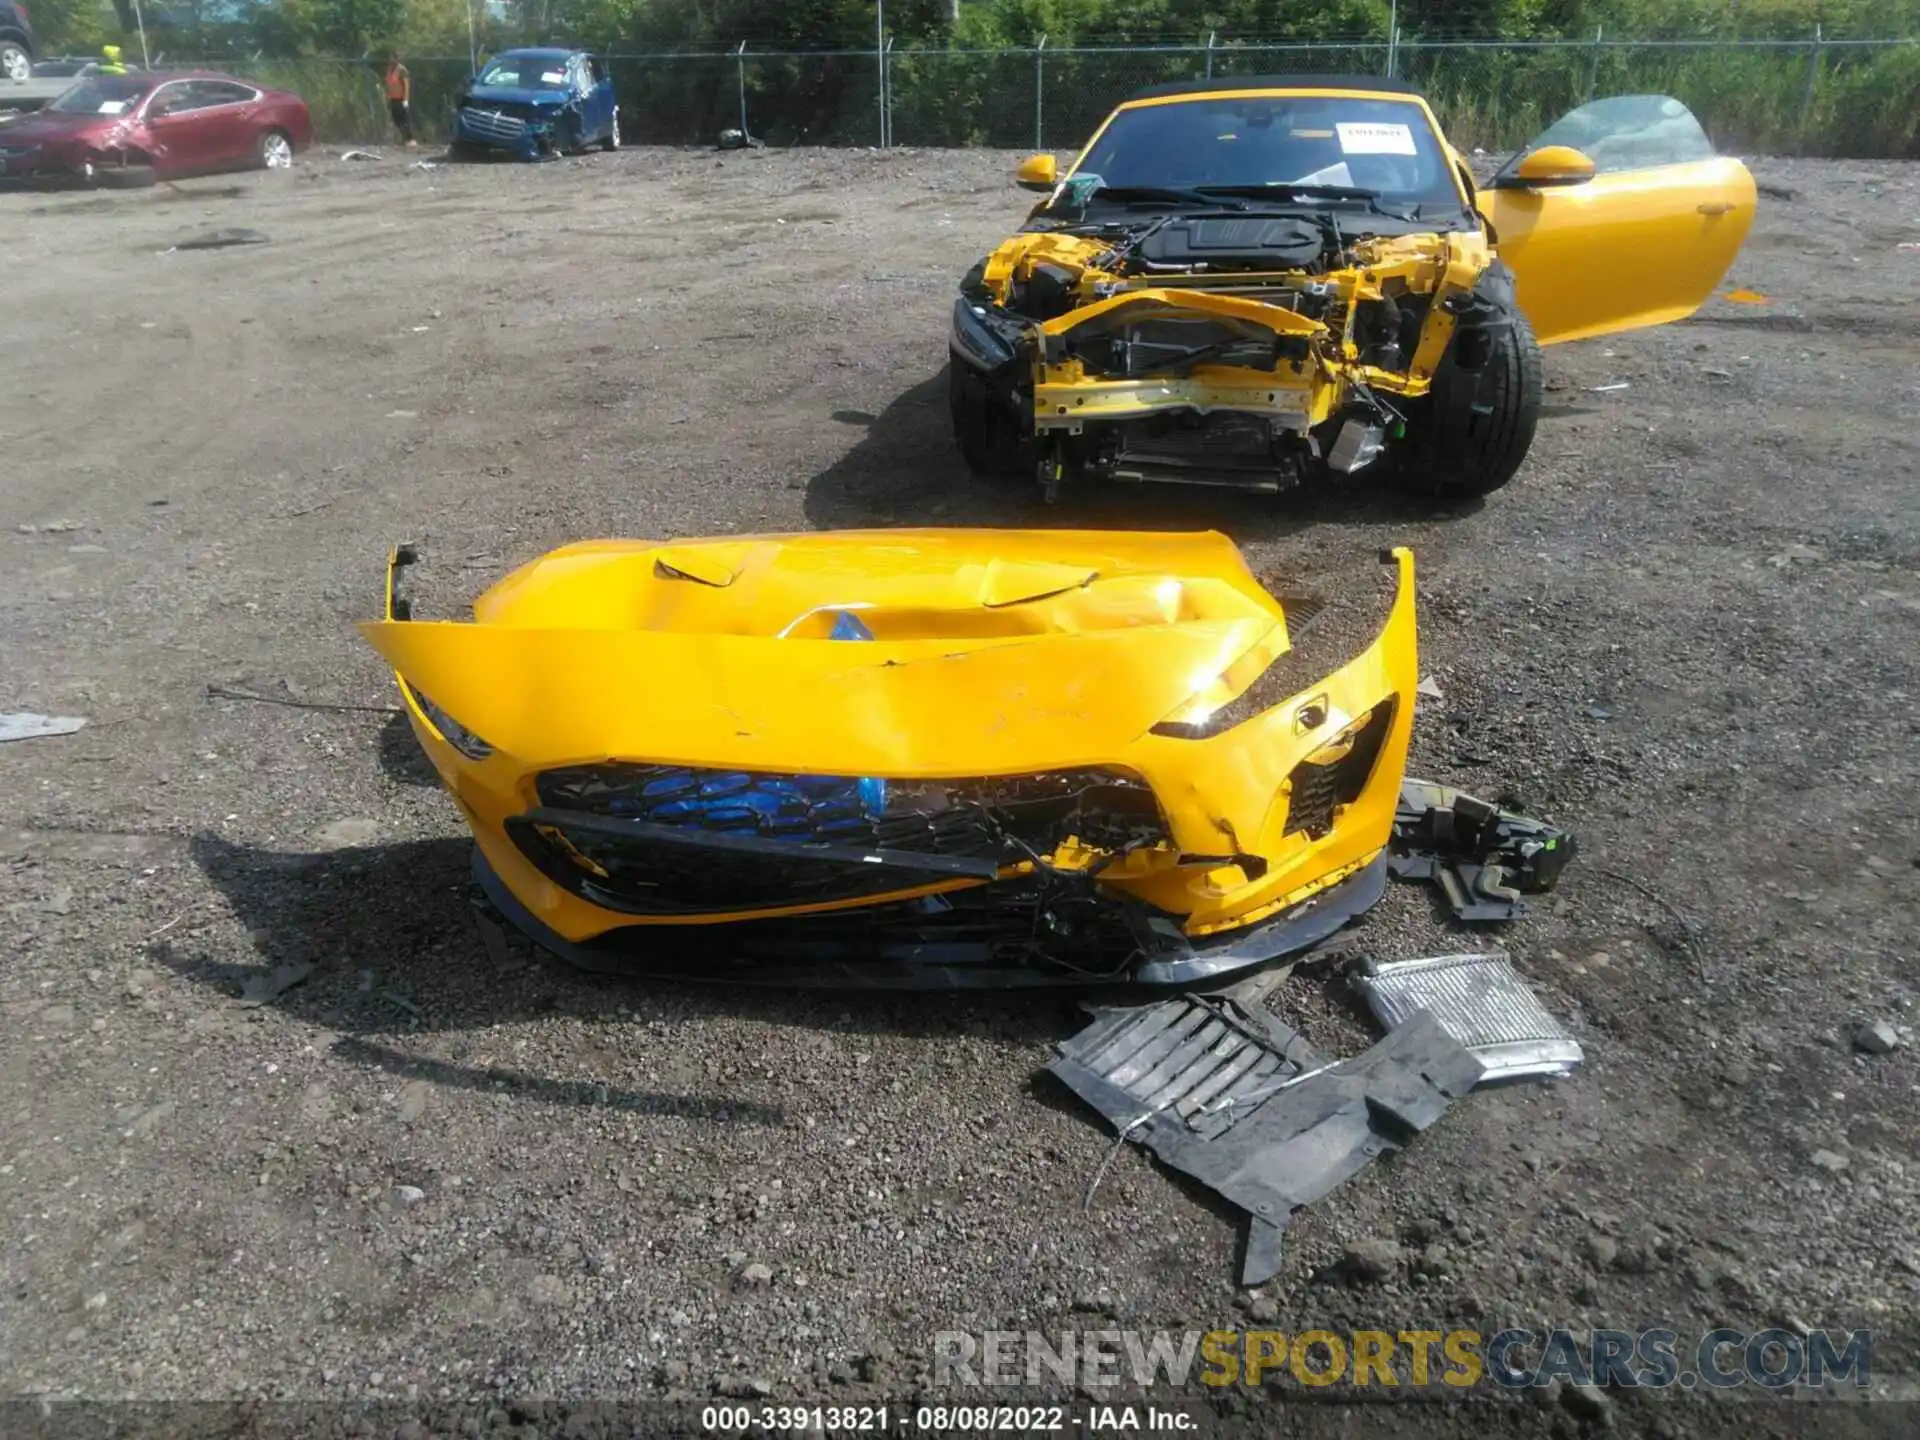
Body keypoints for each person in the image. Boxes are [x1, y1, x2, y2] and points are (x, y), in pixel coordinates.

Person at [383, 53, 416, 147]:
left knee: (403, 120)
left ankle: (410, 139)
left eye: (392, 58)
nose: (390, 60)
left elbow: (406, 85)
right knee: (396, 120)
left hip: (401, 99)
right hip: (393, 98)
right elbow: (388, 85)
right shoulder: (389, 70)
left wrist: (405, 100)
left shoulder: (401, 70)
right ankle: (403, 139)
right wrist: (387, 97)